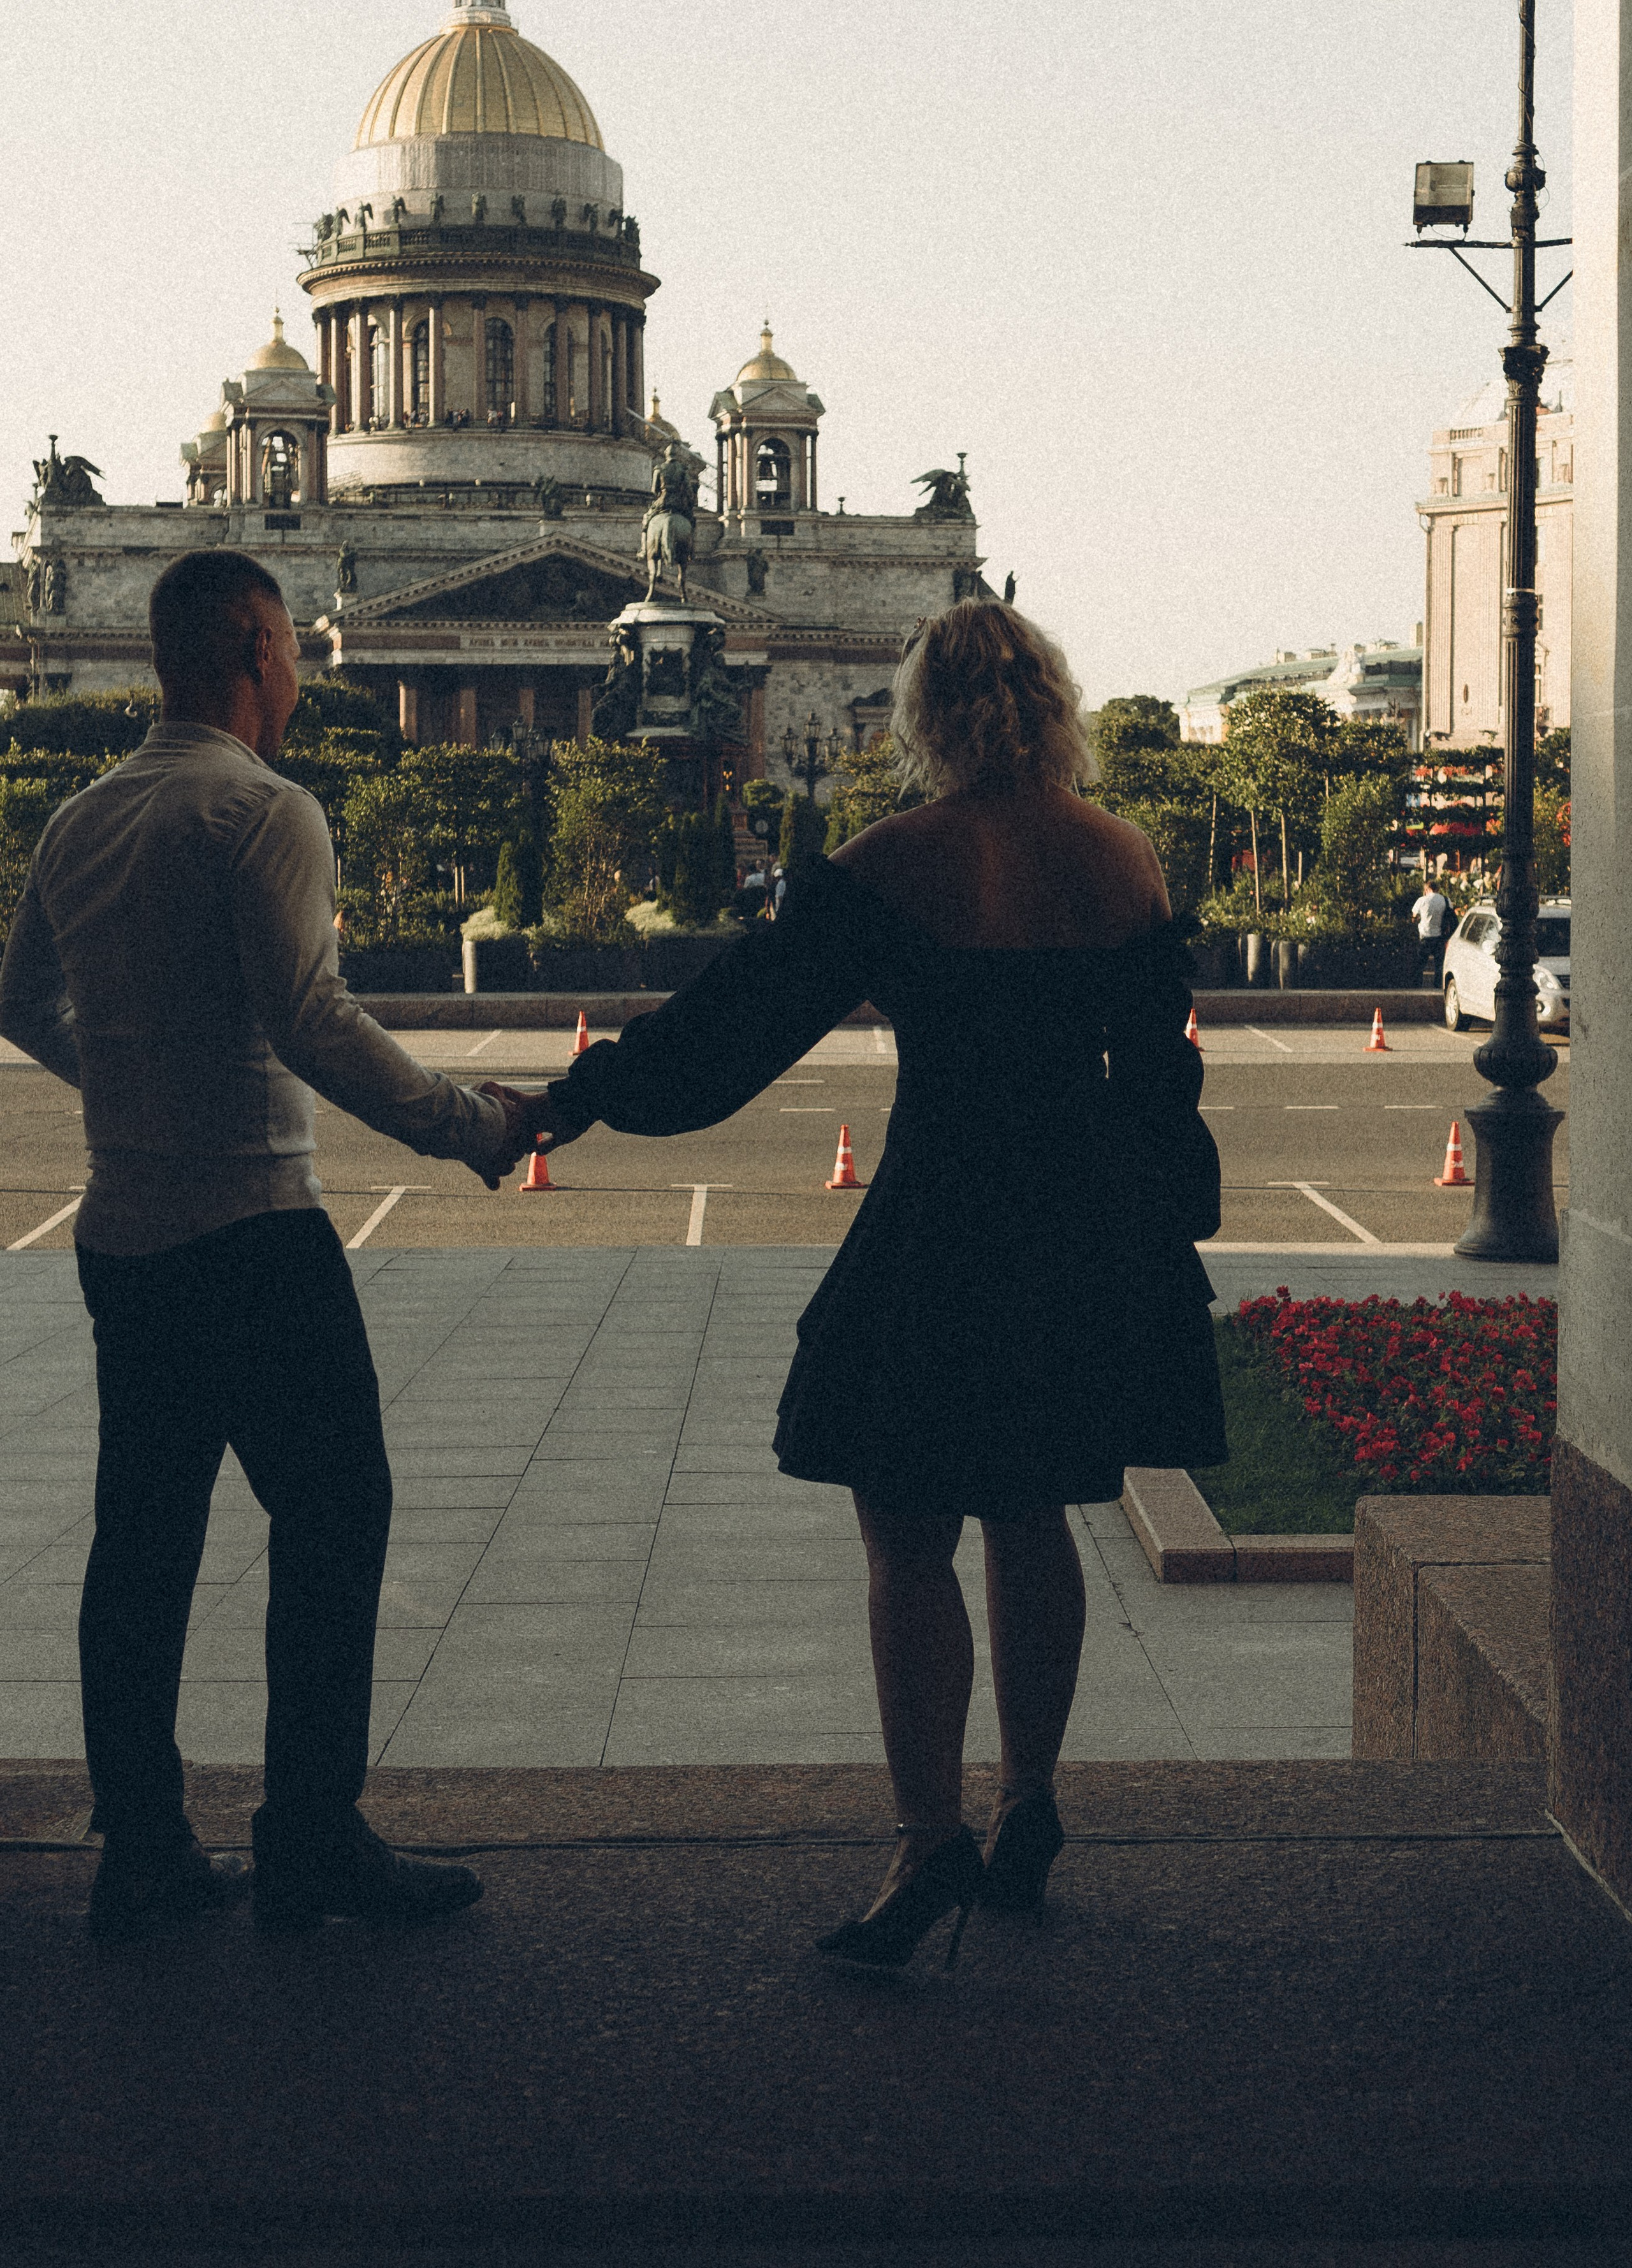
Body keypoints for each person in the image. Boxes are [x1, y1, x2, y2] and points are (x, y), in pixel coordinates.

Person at [529, 600, 1225, 1972]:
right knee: (1035, 1504)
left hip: (944, 1217)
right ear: (1053, 701)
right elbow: (1161, 1083)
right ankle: (1029, 1801)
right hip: (1077, 1224)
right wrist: (1154, 1234)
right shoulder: (1123, 858)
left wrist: (574, 1100)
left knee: (905, 1528)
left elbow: (731, 1034)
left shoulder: (892, 859)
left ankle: (926, 1839)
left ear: (924, 715)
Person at [0, 549, 535, 1941]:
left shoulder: (80, 818)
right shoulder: (264, 808)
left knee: (142, 1544)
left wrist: (129, 1079)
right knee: (337, 1518)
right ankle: (307, 1839)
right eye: (292, 647)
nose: (298, 670)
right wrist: (468, 1125)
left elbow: (18, 1001)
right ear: (255, 648)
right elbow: (311, 1019)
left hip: (124, 1234)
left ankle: (143, 1849)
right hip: (253, 1232)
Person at [1413, 871, 1452, 982]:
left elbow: (1414, 916)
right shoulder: (1446, 900)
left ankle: (1418, 984)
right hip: (1440, 936)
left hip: (1425, 936)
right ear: (1438, 889)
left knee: (1420, 964)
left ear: (1427, 890)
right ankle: (1438, 984)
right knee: (1439, 965)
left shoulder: (1422, 900)